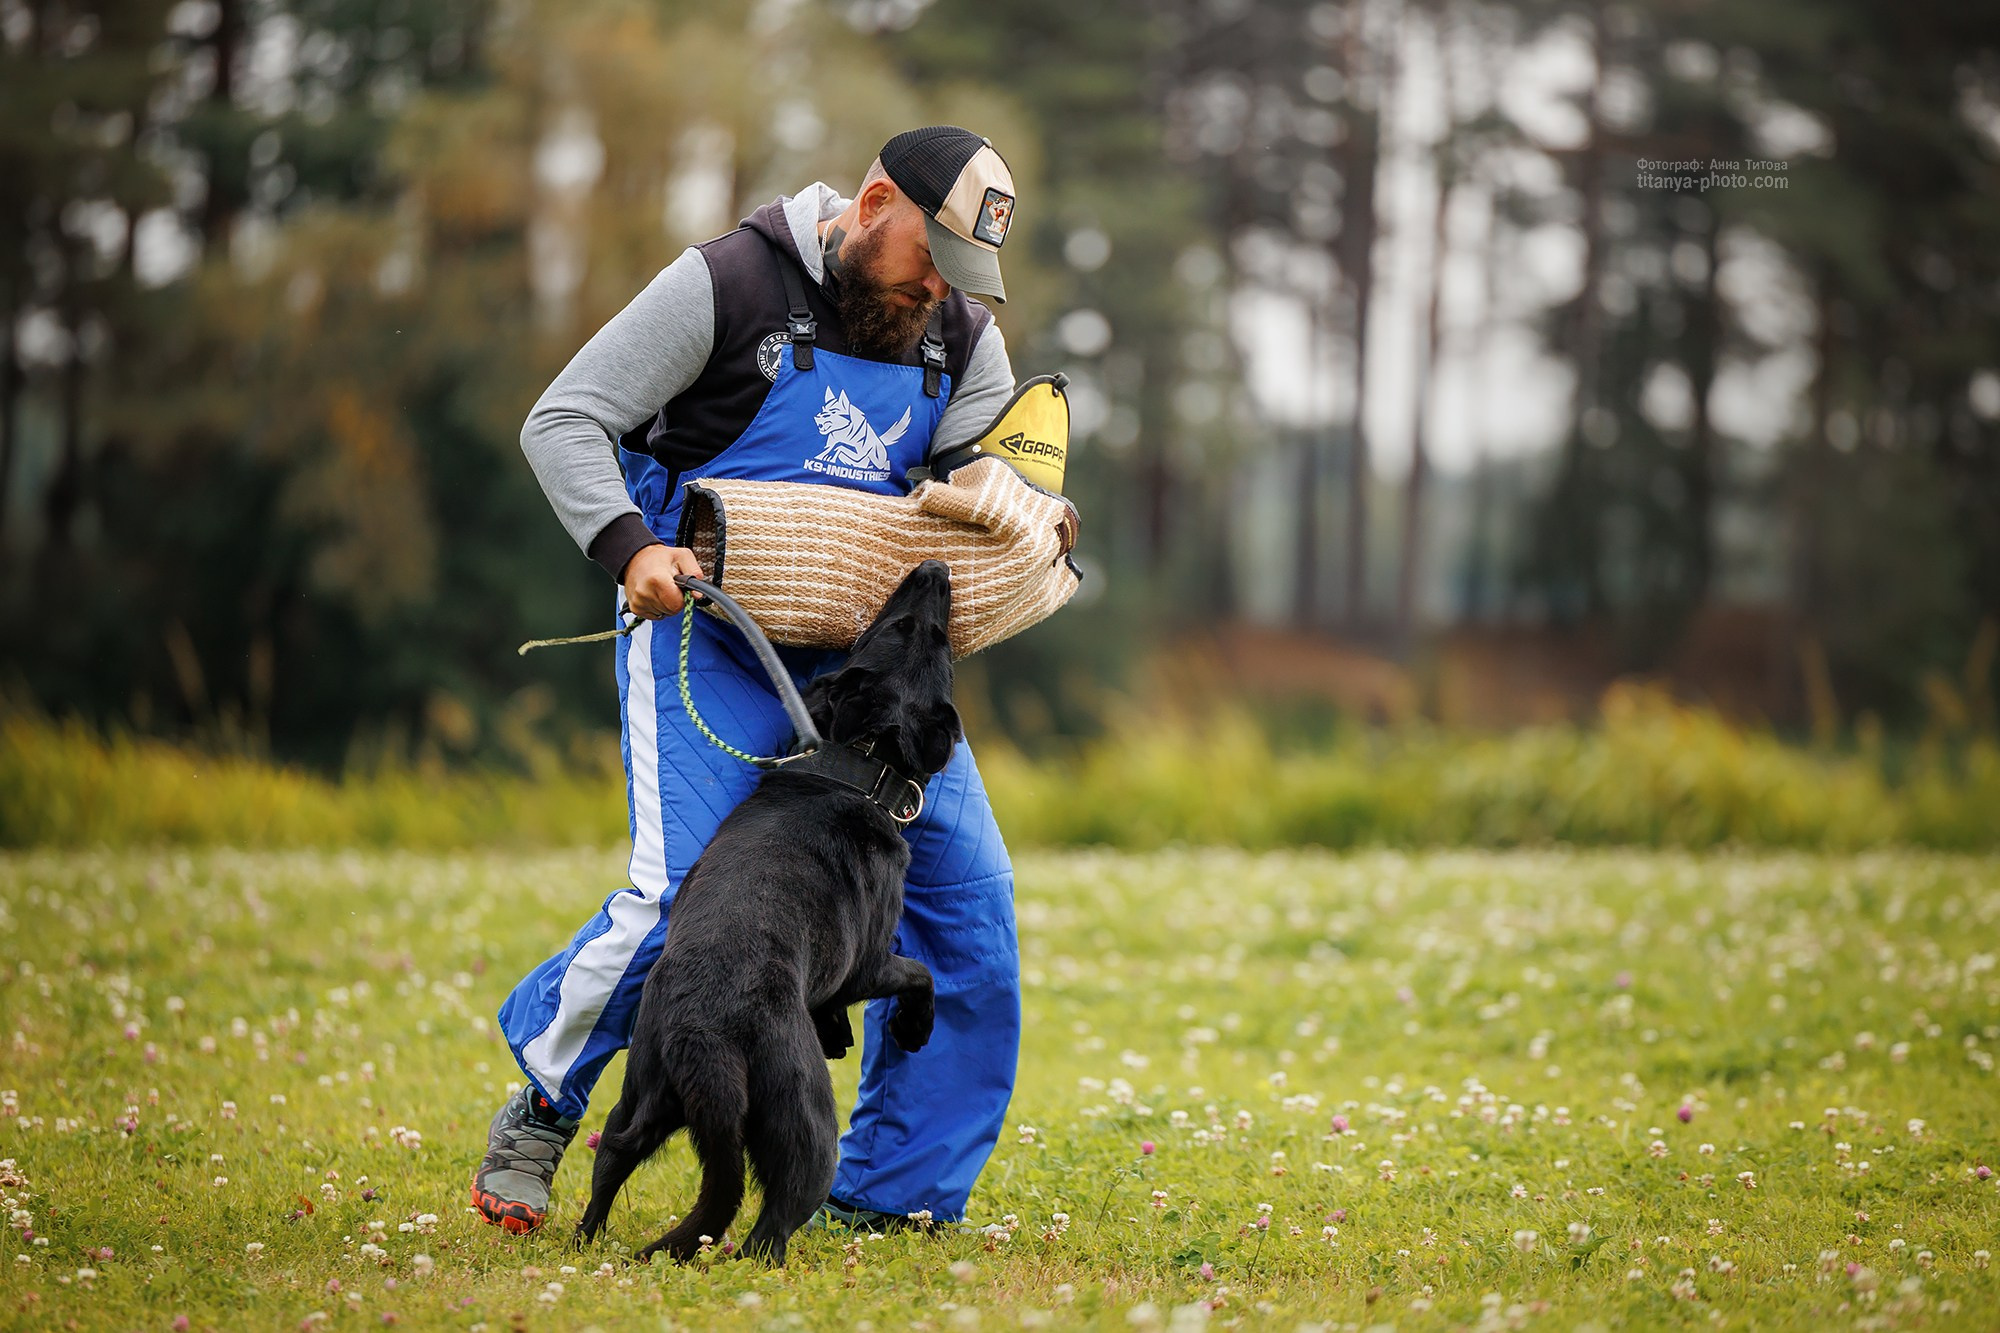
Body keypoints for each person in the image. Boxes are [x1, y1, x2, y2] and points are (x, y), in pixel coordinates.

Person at [473, 127, 1023, 1236]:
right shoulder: (723, 283)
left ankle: (889, 1195)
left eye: (962, 278)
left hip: (864, 680)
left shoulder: (963, 338)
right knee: (684, 907)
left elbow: (972, 487)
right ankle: (542, 1106)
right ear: (873, 203)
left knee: (968, 915)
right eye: (930, 259)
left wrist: (1017, 503)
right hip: (703, 639)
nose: (939, 295)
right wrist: (631, 544)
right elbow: (563, 420)